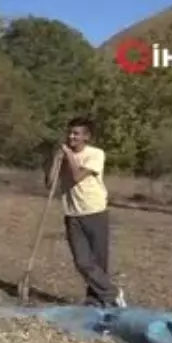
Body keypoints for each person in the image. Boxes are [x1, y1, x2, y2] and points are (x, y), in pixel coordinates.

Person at [49, 116, 127, 308]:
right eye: (70, 132)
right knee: (82, 262)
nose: (71, 137)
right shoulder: (65, 156)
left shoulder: (95, 154)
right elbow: (49, 183)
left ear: (86, 137)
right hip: (72, 214)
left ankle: (95, 301)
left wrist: (68, 155)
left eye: (76, 134)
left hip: (94, 212)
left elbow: (77, 176)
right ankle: (113, 293)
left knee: (99, 262)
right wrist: (55, 161)